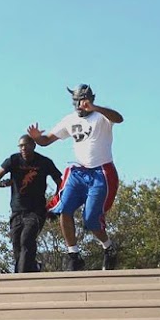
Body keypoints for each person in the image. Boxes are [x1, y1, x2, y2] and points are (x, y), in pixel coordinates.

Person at [28, 84, 124, 271]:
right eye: (77, 100)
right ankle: (73, 254)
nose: (81, 104)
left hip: (101, 172)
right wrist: (37, 138)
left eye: (84, 99)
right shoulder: (69, 120)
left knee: (91, 219)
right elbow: (47, 141)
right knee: (64, 207)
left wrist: (95, 108)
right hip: (78, 172)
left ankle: (108, 247)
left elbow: (119, 118)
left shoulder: (102, 117)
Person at [0, 135, 63, 274]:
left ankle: (20, 279)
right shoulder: (13, 160)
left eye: (26, 145)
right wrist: (1, 183)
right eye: (21, 146)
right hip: (17, 210)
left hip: (36, 210)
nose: (23, 148)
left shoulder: (44, 162)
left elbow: (61, 183)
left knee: (26, 240)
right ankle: (34, 267)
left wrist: (55, 204)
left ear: (33, 146)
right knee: (17, 246)